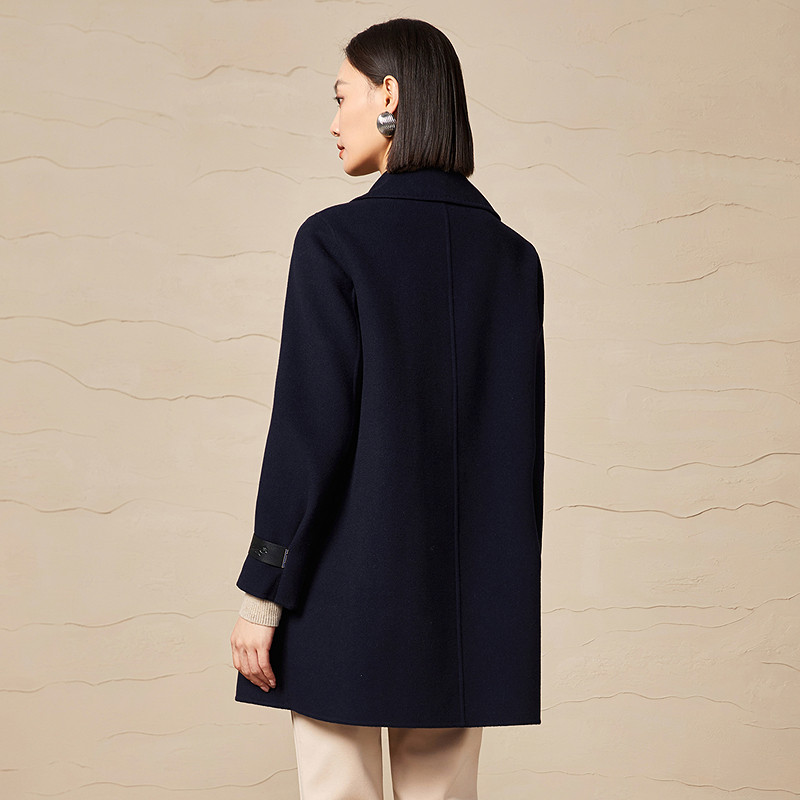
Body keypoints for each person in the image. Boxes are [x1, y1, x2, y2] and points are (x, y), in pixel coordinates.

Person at [229, 17, 545, 800]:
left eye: (341, 96)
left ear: (389, 95)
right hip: (466, 611)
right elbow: (514, 458)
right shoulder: (514, 260)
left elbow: (308, 434)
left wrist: (261, 593)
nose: (334, 120)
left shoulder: (335, 242)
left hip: (340, 593)